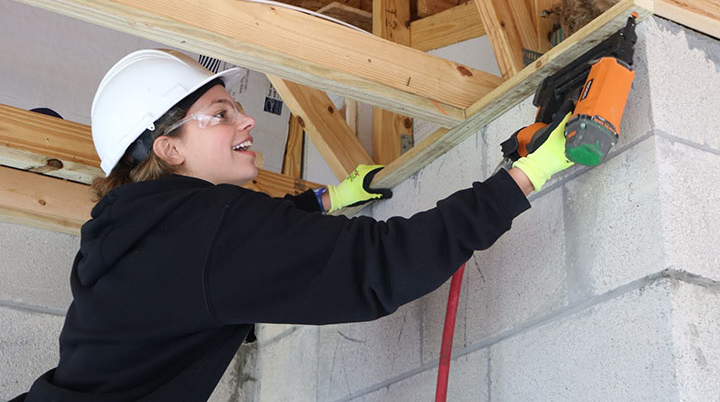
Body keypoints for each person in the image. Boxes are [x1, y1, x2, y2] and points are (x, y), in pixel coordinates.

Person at [12, 49, 573, 401]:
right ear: (170, 149)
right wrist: (527, 176)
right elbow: (377, 266)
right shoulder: (199, 230)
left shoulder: (135, 231)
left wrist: (328, 199)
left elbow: (244, 250)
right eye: (222, 113)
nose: (247, 118)